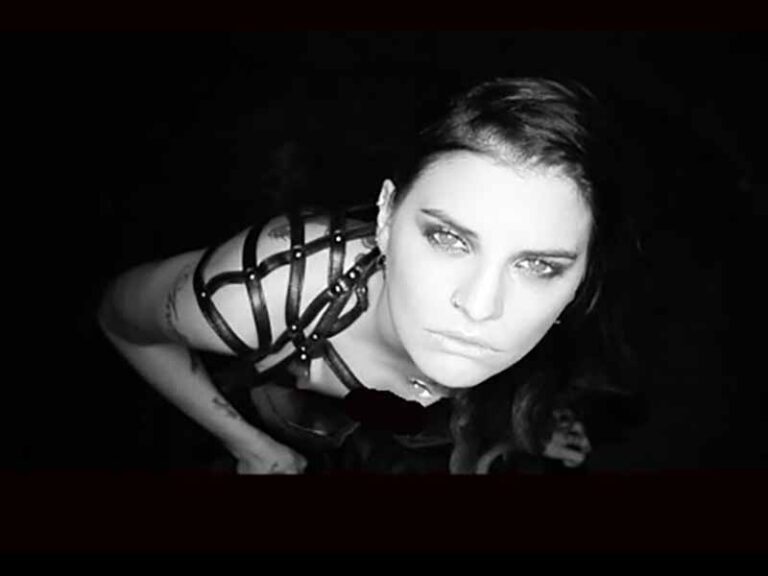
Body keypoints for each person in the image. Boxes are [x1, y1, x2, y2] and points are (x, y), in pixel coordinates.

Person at [98, 77, 632, 474]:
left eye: (536, 265)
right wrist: (247, 443)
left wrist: (522, 427)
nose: (480, 306)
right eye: (448, 239)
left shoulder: (558, 320)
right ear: (386, 216)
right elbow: (119, 319)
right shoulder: (262, 289)